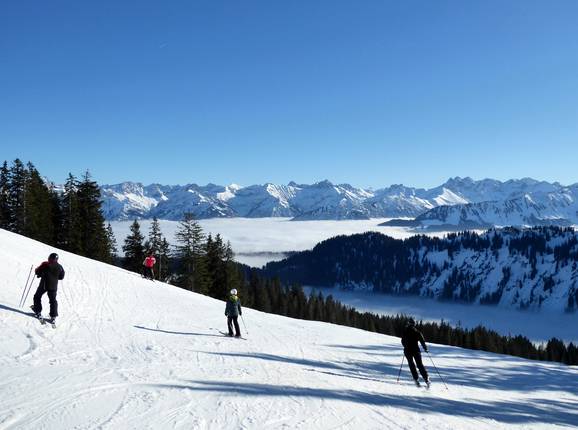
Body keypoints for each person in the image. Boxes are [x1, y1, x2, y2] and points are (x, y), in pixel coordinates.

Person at [30, 253, 65, 323]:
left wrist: (40, 273)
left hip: (44, 285)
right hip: (53, 286)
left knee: (37, 296)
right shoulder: (60, 267)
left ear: (50, 258)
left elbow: (37, 271)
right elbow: (61, 277)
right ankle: (53, 316)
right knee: (53, 301)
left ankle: (38, 311)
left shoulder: (45, 264)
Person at [401, 317, 430, 387]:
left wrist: (405, 346)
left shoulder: (405, 331)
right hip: (416, 351)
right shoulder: (417, 332)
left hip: (407, 351)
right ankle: (426, 379)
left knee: (411, 365)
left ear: (408, 323)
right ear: (414, 324)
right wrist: (425, 349)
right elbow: (422, 341)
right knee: (420, 365)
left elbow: (402, 341)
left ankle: (416, 379)